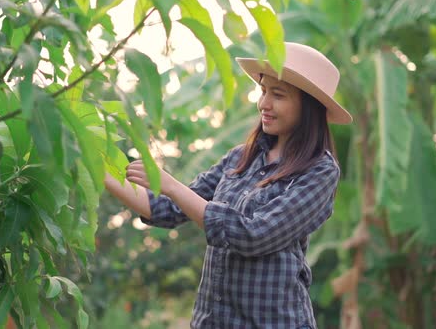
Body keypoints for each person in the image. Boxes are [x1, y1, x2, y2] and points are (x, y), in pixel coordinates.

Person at [104, 41, 353, 328]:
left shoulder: (319, 171)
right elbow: (166, 208)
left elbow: (254, 235)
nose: (264, 104)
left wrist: (172, 185)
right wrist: (96, 169)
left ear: (308, 106)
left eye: (278, 95)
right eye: (263, 91)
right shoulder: (241, 157)